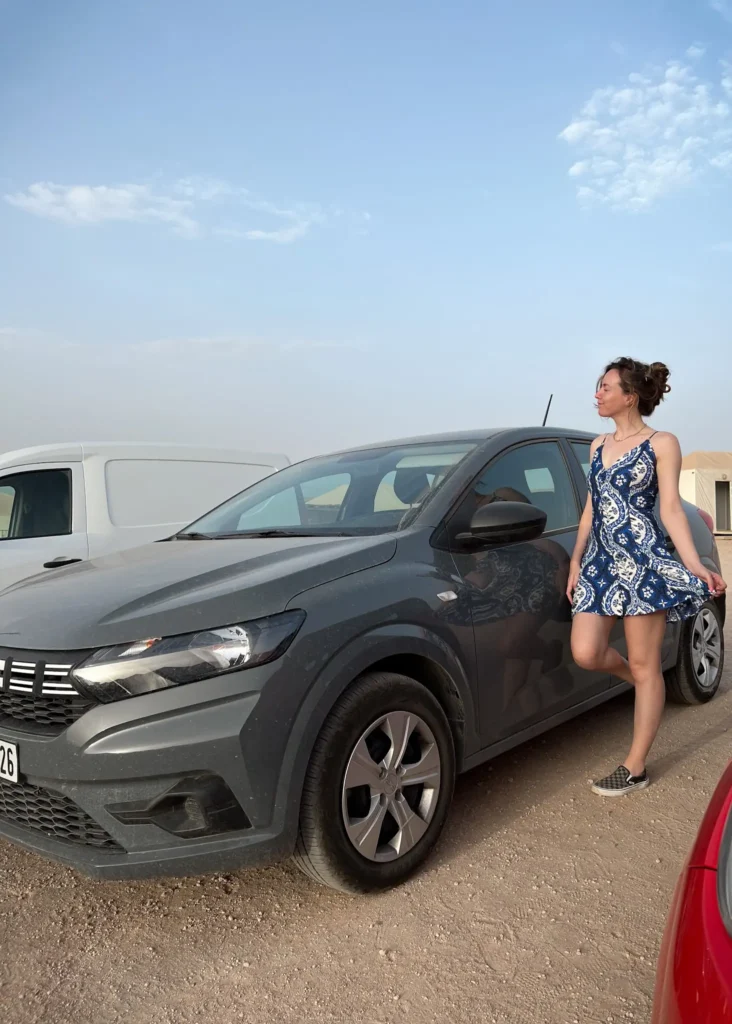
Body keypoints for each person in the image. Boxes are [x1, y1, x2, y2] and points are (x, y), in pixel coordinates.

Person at [567, 357, 727, 797]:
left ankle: (634, 766)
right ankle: (646, 686)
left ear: (629, 397)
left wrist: (695, 564)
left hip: (644, 563)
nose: (597, 393)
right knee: (586, 651)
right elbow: (590, 510)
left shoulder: (662, 443)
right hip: (600, 564)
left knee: (645, 661)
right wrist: (577, 558)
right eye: (598, 386)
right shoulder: (597, 445)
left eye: (605, 387)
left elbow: (671, 509)